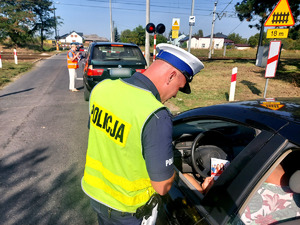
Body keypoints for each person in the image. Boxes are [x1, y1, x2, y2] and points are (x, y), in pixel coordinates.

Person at [81, 43, 204, 225]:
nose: (176, 96)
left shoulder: (102, 89)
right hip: (129, 212)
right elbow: (162, 187)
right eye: (179, 87)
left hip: (96, 196)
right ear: (171, 76)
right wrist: (185, 177)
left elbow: (103, 136)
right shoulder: (156, 114)